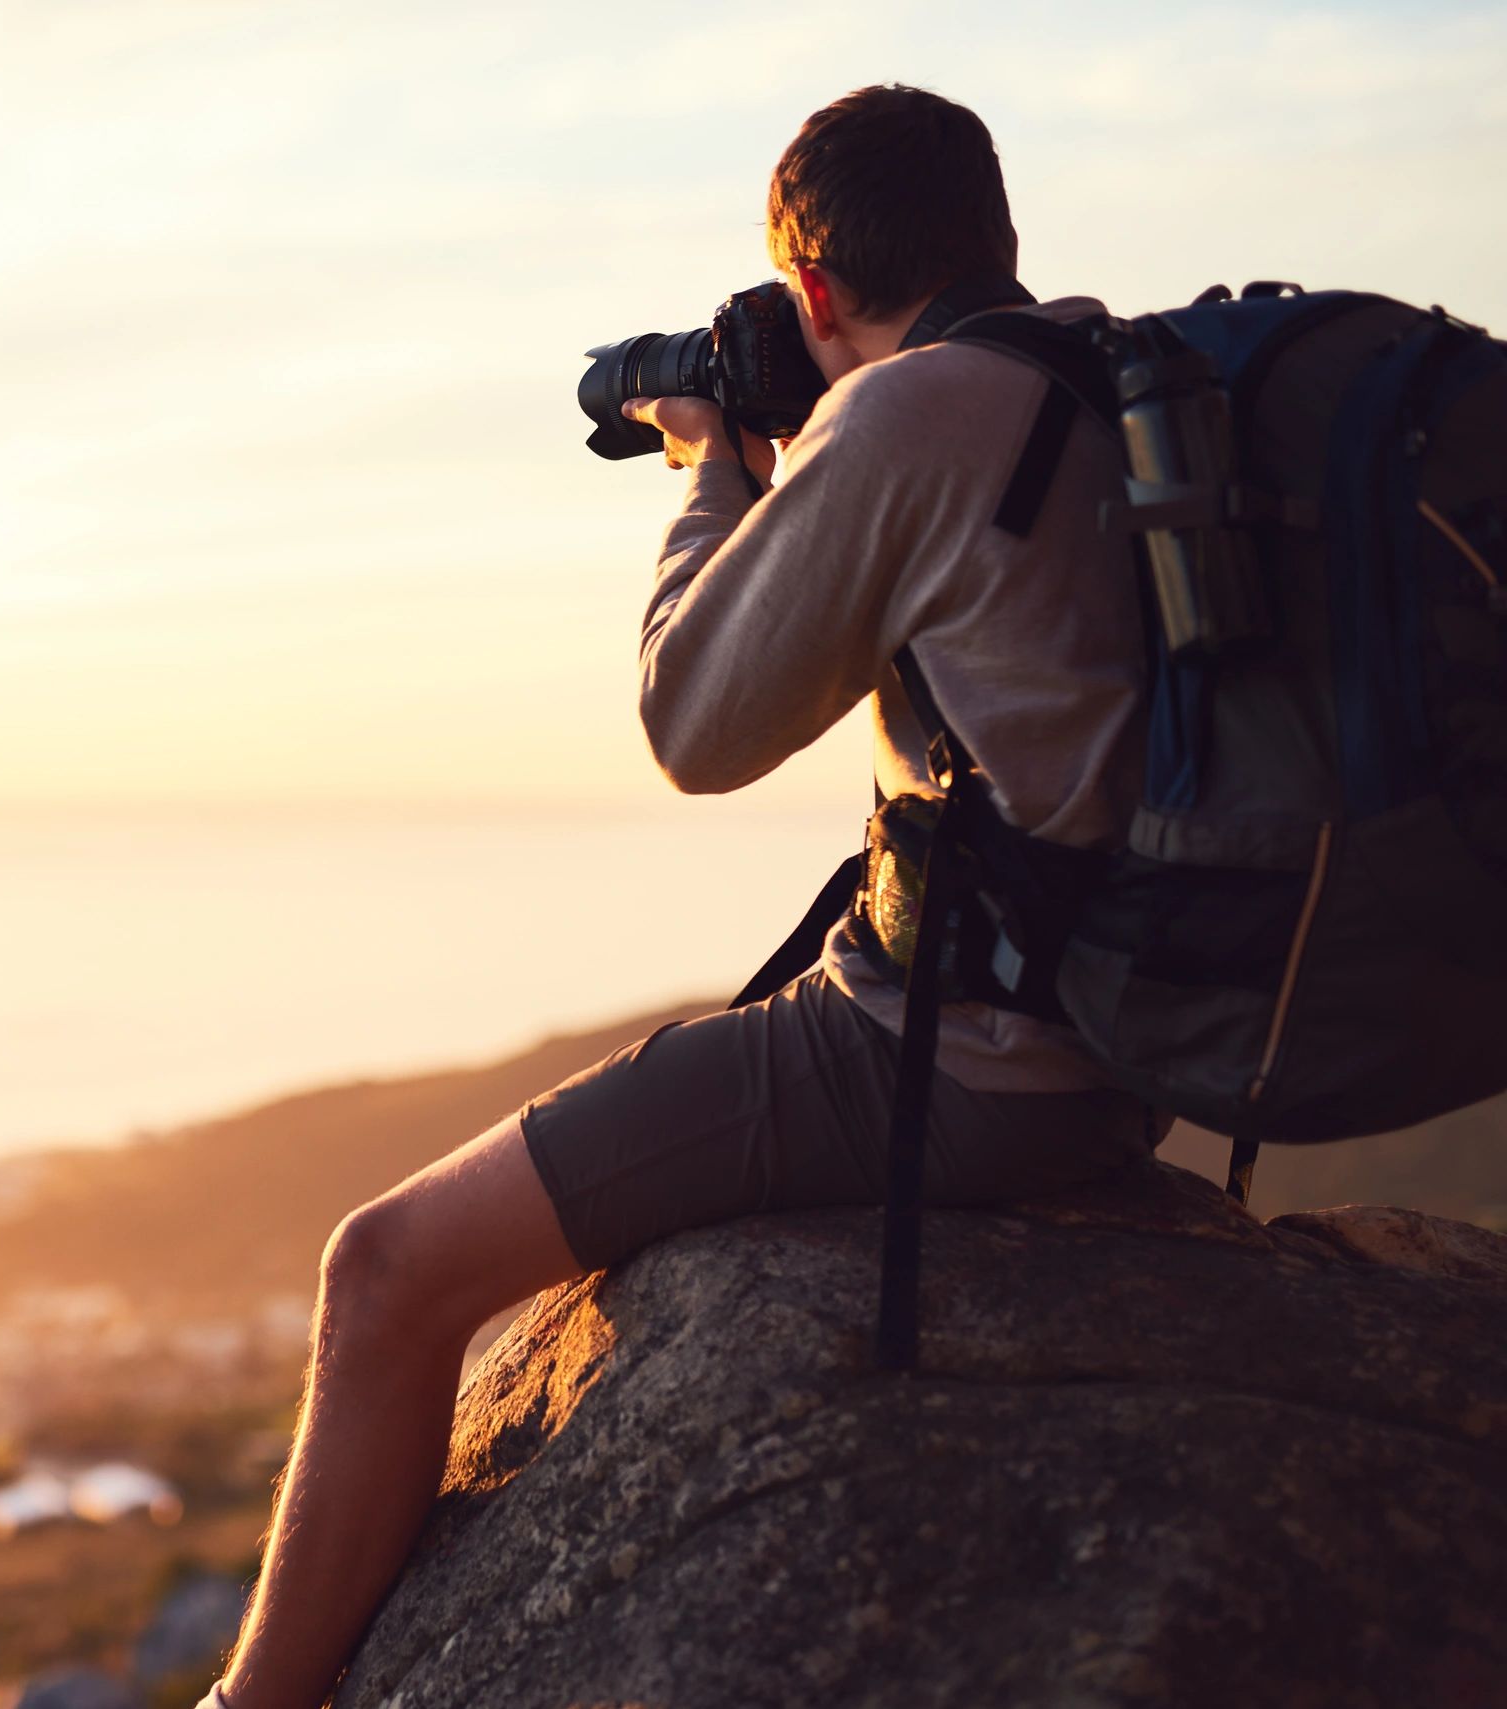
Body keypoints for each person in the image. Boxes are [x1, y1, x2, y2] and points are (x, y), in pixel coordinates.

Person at [198, 84, 1169, 1709]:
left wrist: (713, 467)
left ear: (811, 295)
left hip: (961, 1069)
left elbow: (692, 724)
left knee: (382, 1267)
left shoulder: (912, 414)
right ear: (997, 234)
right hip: (1141, 1039)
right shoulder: (1110, 381)